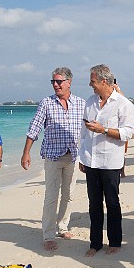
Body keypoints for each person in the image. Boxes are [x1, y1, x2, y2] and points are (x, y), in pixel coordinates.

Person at [21, 67, 85, 251]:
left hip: (73, 156)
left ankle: (63, 226)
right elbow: (34, 128)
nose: (55, 85)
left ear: (69, 82)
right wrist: (26, 153)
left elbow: (89, 130)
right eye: (53, 82)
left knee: (69, 195)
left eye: (59, 81)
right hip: (53, 157)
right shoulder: (46, 103)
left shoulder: (80, 104)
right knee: (51, 196)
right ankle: (48, 234)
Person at [79, 64, 134, 257]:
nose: (90, 85)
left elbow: (128, 133)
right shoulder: (90, 101)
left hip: (111, 161)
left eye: (92, 81)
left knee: (112, 202)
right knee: (93, 203)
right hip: (90, 160)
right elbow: (84, 131)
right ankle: (95, 243)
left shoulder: (123, 104)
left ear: (104, 81)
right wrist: (81, 156)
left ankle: (115, 242)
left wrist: (103, 130)